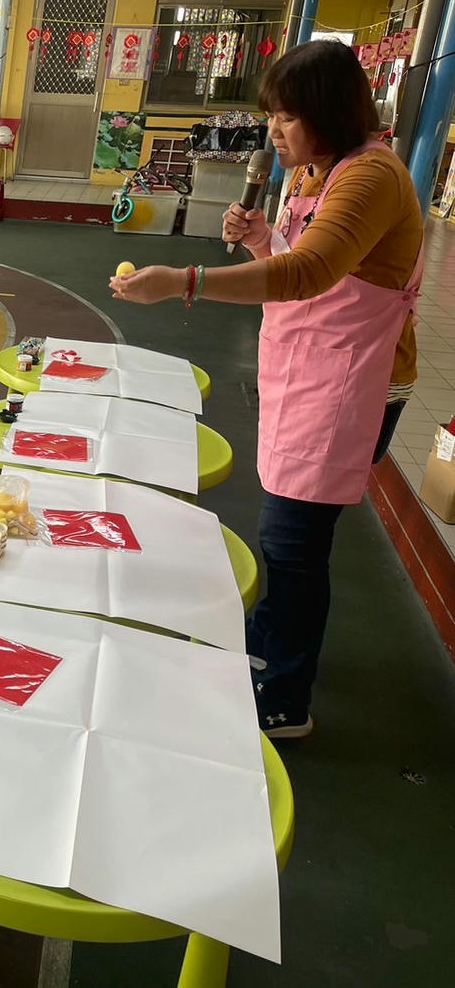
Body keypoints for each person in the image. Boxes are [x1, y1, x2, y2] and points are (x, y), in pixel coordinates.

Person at [108, 41, 424, 739]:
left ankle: (284, 695)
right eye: (271, 117)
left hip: (351, 383)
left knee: (294, 542)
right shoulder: (315, 172)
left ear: (329, 113)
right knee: (284, 533)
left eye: (286, 117)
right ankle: (271, 644)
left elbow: (309, 274)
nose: (273, 132)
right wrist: (260, 240)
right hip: (310, 370)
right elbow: (301, 263)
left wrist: (183, 281)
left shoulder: (371, 177)